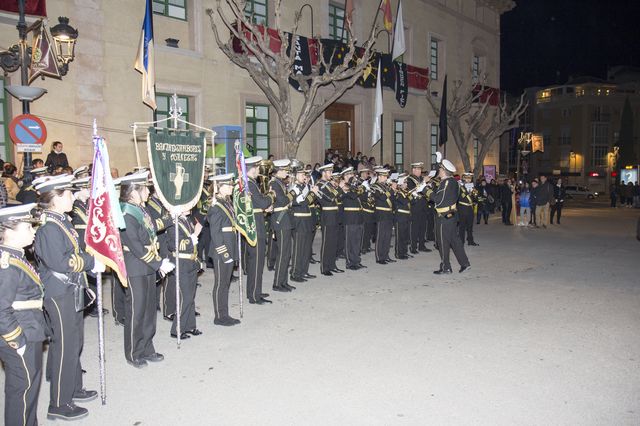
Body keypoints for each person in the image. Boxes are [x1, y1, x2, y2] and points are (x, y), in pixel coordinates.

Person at [33, 175, 101, 420]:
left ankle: (74, 387)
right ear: (55, 198)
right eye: (69, 193)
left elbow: (75, 250)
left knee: (75, 342)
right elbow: (61, 262)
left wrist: (90, 259)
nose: (73, 196)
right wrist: (91, 262)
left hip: (71, 290)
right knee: (65, 347)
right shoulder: (50, 227)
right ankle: (59, 403)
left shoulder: (62, 221)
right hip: (59, 292)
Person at [118, 171, 174, 368]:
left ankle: (147, 347)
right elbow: (135, 245)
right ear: (134, 192)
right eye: (145, 189)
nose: (148, 192)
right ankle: (134, 352)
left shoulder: (140, 209)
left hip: (148, 266)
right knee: (137, 310)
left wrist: (170, 217)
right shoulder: (125, 213)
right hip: (136, 267)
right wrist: (159, 263)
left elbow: (152, 227)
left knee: (150, 309)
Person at [0, 204, 47, 426]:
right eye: (28, 227)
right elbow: (1, 308)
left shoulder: (15, 256)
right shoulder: (7, 265)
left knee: (28, 390)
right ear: (10, 230)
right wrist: (17, 341)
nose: (34, 231)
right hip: (21, 333)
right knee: (22, 390)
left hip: (30, 327)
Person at [428, 159, 470, 274]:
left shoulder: (446, 183)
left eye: (440, 169)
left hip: (444, 217)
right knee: (455, 241)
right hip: (451, 216)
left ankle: (446, 267)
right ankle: (465, 264)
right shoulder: (453, 182)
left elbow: (439, 200)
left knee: (443, 242)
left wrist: (426, 191)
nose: (439, 171)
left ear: (444, 171)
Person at [208, 174, 240, 325]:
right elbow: (215, 233)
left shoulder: (227, 203)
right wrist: (224, 253)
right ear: (219, 187)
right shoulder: (216, 207)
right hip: (221, 250)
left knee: (226, 283)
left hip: (229, 247)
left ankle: (225, 313)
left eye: (231, 185)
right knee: (221, 284)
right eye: (228, 185)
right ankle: (219, 316)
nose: (231, 188)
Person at [165, 211, 202, 339]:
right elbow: (175, 245)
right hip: (181, 262)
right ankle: (177, 329)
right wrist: (195, 234)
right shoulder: (172, 222)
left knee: (191, 296)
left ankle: (190, 325)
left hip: (190, 261)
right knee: (185, 297)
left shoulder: (186, 219)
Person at [244, 156, 274, 304]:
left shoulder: (249, 183)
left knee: (256, 261)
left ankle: (255, 291)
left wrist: (264, 206)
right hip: (255, 226)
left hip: (256, 222)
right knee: (256, 261)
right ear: (253, 169)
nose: (259, 170)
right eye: (257, 168)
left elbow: (257, 204)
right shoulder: (249, 184)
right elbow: (261, 201)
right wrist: (271, 196)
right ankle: (254, 295)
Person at [269, 159, 296, 292]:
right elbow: (283, 200)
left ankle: (284, 281)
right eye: (285, 170)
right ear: (278, 171)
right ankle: (277, 283)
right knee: (283, 253)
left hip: (285, 219)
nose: (287, 172)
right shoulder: (274, 184)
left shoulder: (280, 183)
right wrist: (293, 192)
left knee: (287, 253)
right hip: (280, 220)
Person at [290, 164, 316, 281]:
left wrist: (310, 190)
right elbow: (303, 203)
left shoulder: (304, 187)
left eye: (304, 174)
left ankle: (304, 271)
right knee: (298, 249)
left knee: (306, 249)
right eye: (301, 174)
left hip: (307, 220)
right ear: (295, 176)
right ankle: (295, 273)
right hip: (299, 221)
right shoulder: (293, 188)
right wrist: (313, 193)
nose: (303, 176)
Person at [316, 163, 341, 276]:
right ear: (323, 173)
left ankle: (332, 265)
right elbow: (330, 198)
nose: (331, 174)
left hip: (334, 214)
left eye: (331, 171)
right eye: (329, 172)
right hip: (327, 214)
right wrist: (338, 188)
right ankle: (324, 267)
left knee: (334, 241)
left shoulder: (329, 184)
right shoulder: (320, 185)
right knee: (327, 242)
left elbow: (337, 196)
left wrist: (336, 188)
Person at [341, 167, 365, 270]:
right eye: (349, 175)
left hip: (358, 216)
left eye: (352, 174)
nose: (352, 176)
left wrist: (361, 188)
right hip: (349, 216)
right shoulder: (343, 187)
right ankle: (350, 262)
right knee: (350, 241)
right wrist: (360, 189)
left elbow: (364, 197)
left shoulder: (354, 186)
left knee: (357, 240)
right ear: (345, 177)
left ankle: (356, 260)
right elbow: (353, 196)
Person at [371, 167, 395, 265]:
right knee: (381, 236)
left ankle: (386, 255)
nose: (386, 178)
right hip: (381, 213)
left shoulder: (386, 187)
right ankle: (379, 257)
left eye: (386, 176)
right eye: (384, 176)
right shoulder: (375, 187)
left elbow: (392, 199)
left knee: (387, 236)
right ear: (379, 176)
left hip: (388, 213)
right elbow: (381, 198)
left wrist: (392, 191)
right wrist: (391, 191)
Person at [393, 174, 411, 259]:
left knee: (405, 236)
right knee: (400, 236)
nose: (406, 184)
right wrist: (410, 195)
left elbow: (412, 203)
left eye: (406, 183)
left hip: (406, 216)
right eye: (404, 182)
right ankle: (399, 254)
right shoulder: (398, 192)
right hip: (400, 216)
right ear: (400, 183)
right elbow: (404, 201)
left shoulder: (405, 192)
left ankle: (404, 252)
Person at [458, 172, 478, 246]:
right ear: (464, 178)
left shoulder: (472, 186)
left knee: (470, 226)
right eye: (467, 178)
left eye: (470, 178)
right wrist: (466, 191)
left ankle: (470, 241)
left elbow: (475, 197)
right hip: (462, 208)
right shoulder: (460, 186)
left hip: (470, 208)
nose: (469, 179)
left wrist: (474, 193)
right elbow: (459, 196)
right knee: (462, 226)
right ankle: (461, 241)